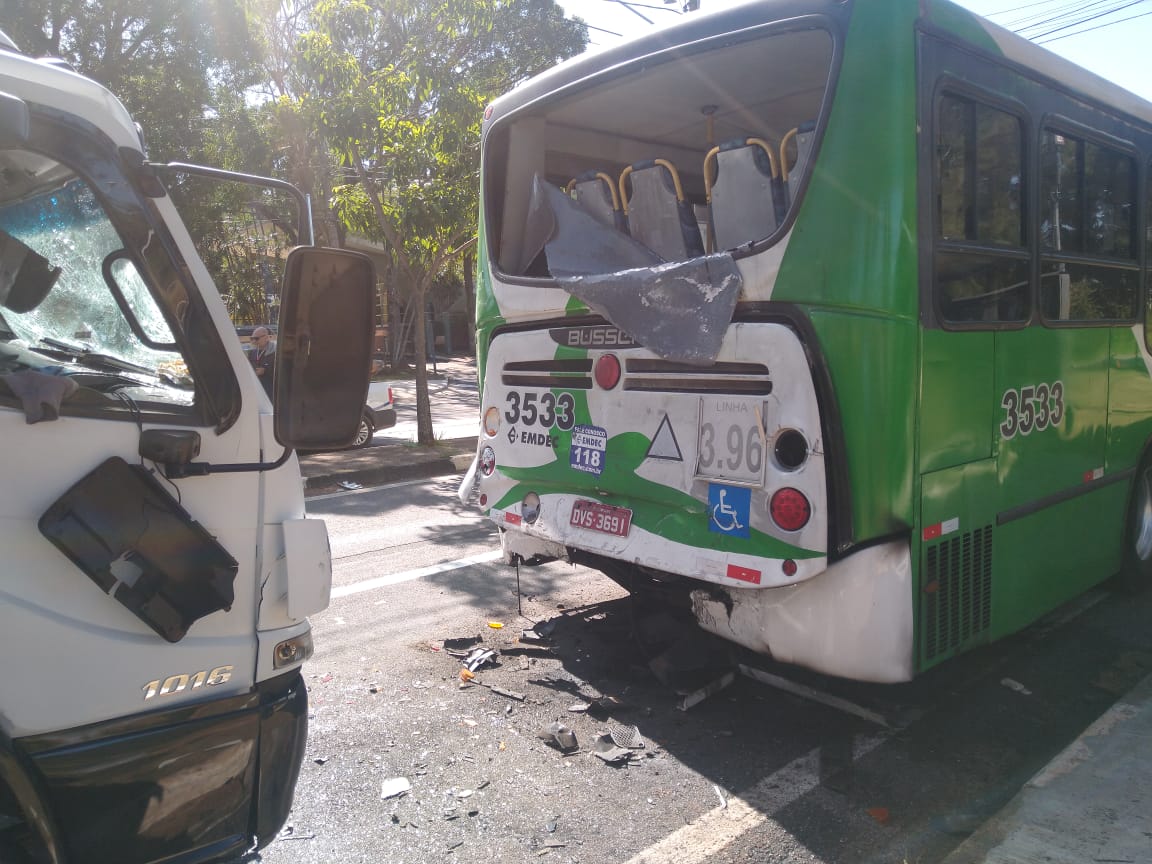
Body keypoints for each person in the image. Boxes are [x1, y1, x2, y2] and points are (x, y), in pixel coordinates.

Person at [248, 326, 275, 398]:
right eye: (252, 338)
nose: (254, 341)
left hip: (270, 394)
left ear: (266, 337)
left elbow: (282, 374)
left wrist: (265, 371)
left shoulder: (275, 353)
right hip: (255, 391)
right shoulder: (252, 352)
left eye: (256, 338)